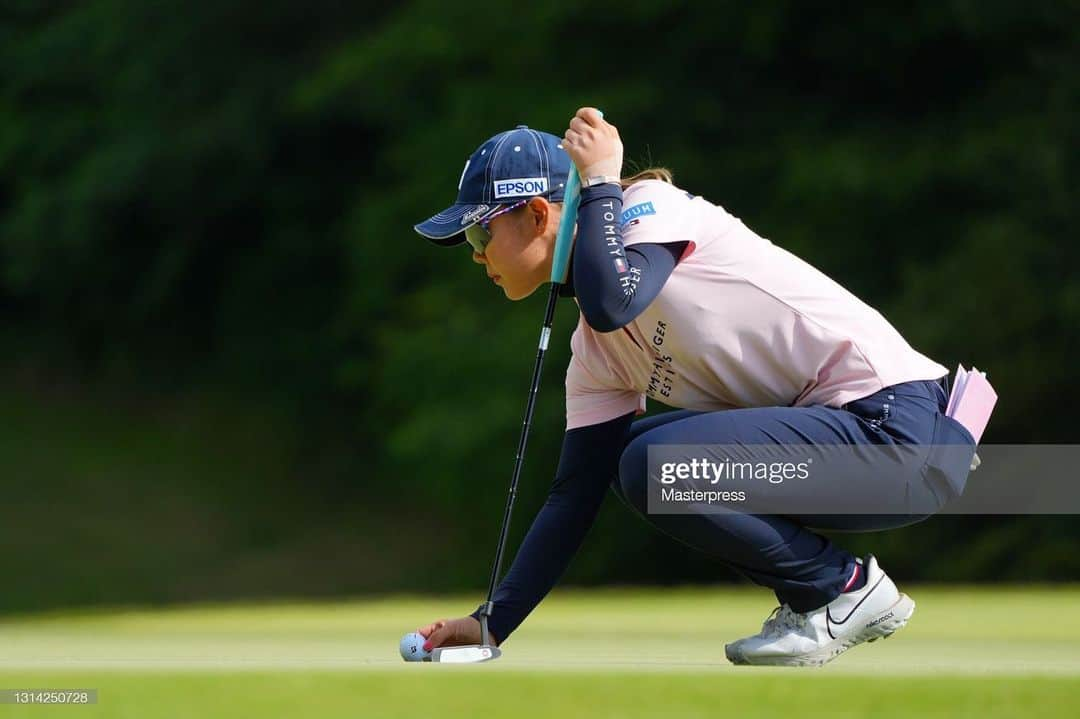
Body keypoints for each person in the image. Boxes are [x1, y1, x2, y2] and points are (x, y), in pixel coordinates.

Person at [411, 108, 976, 666]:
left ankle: (841, 588)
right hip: (856, 450)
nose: (478, 254)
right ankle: (825, 593)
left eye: (481, 232)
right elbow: (574, 495)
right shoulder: (596, 354)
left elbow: (612, 299)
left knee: (651, 461)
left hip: (899, 434)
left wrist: (603, 180)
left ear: (538, 215)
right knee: (631, 465)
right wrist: (493, 622)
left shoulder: (650, 211)